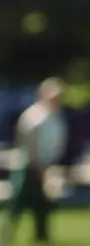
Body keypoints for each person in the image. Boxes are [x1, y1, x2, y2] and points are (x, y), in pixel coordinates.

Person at [3, 79, 67, 245]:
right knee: (19, 201)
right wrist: (36, 163)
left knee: (42, 203)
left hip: (46, 164)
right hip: (29, 164)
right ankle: (7, 234)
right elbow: (27, 141)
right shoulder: (34, 115)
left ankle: (41, 236)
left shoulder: (55, 116)